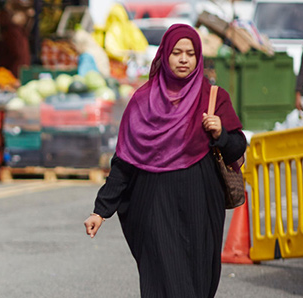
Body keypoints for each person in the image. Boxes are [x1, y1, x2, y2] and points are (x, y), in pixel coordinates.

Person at [83, 24, 247, 297]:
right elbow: (124, 162)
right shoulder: (142, 101)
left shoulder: (213, 98)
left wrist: (221, 133)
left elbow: (236, 150)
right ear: (164, 56)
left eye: (191, 54)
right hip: (154, 206)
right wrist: (101, 210)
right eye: (177, 53)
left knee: (198, 280)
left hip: (201, 204)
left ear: (199, 59)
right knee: (162, 278)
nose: (184, 59)